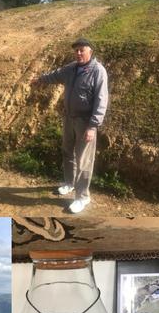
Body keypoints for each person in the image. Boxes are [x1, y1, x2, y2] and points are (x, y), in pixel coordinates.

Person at [31, 38, 108, 213]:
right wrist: (40, 80)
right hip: (69, 118)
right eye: (76, 51)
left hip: (85, 122)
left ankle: (83, 197)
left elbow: (101, 101)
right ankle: (69, 183)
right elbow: (55, 75)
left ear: (90, 51)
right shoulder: (71, 68)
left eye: (82, 50)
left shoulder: (98, 71)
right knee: (67, 152)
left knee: (84, 161)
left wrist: (92, 126)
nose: (79, 53)